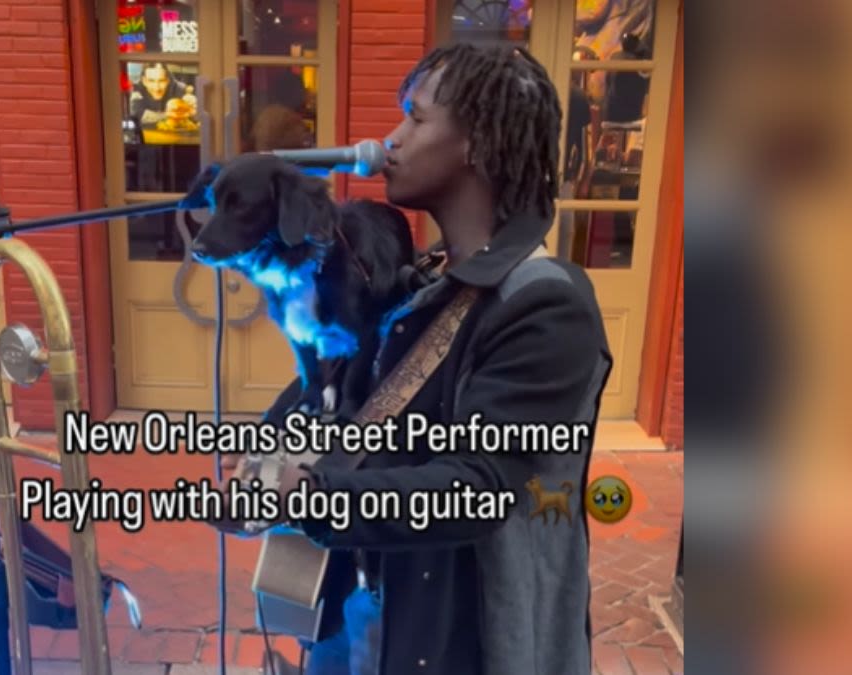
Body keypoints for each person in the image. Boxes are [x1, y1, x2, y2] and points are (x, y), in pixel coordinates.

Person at [206, 43, 613, 675]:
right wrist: (263, 465)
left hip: (459, 642)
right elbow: (343, 393)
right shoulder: (422, 280)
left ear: (476, 141)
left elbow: (476, 488)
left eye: (415, 118)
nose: (389, 139)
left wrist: (310, 495)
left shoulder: (546, 305)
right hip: (363, 612)